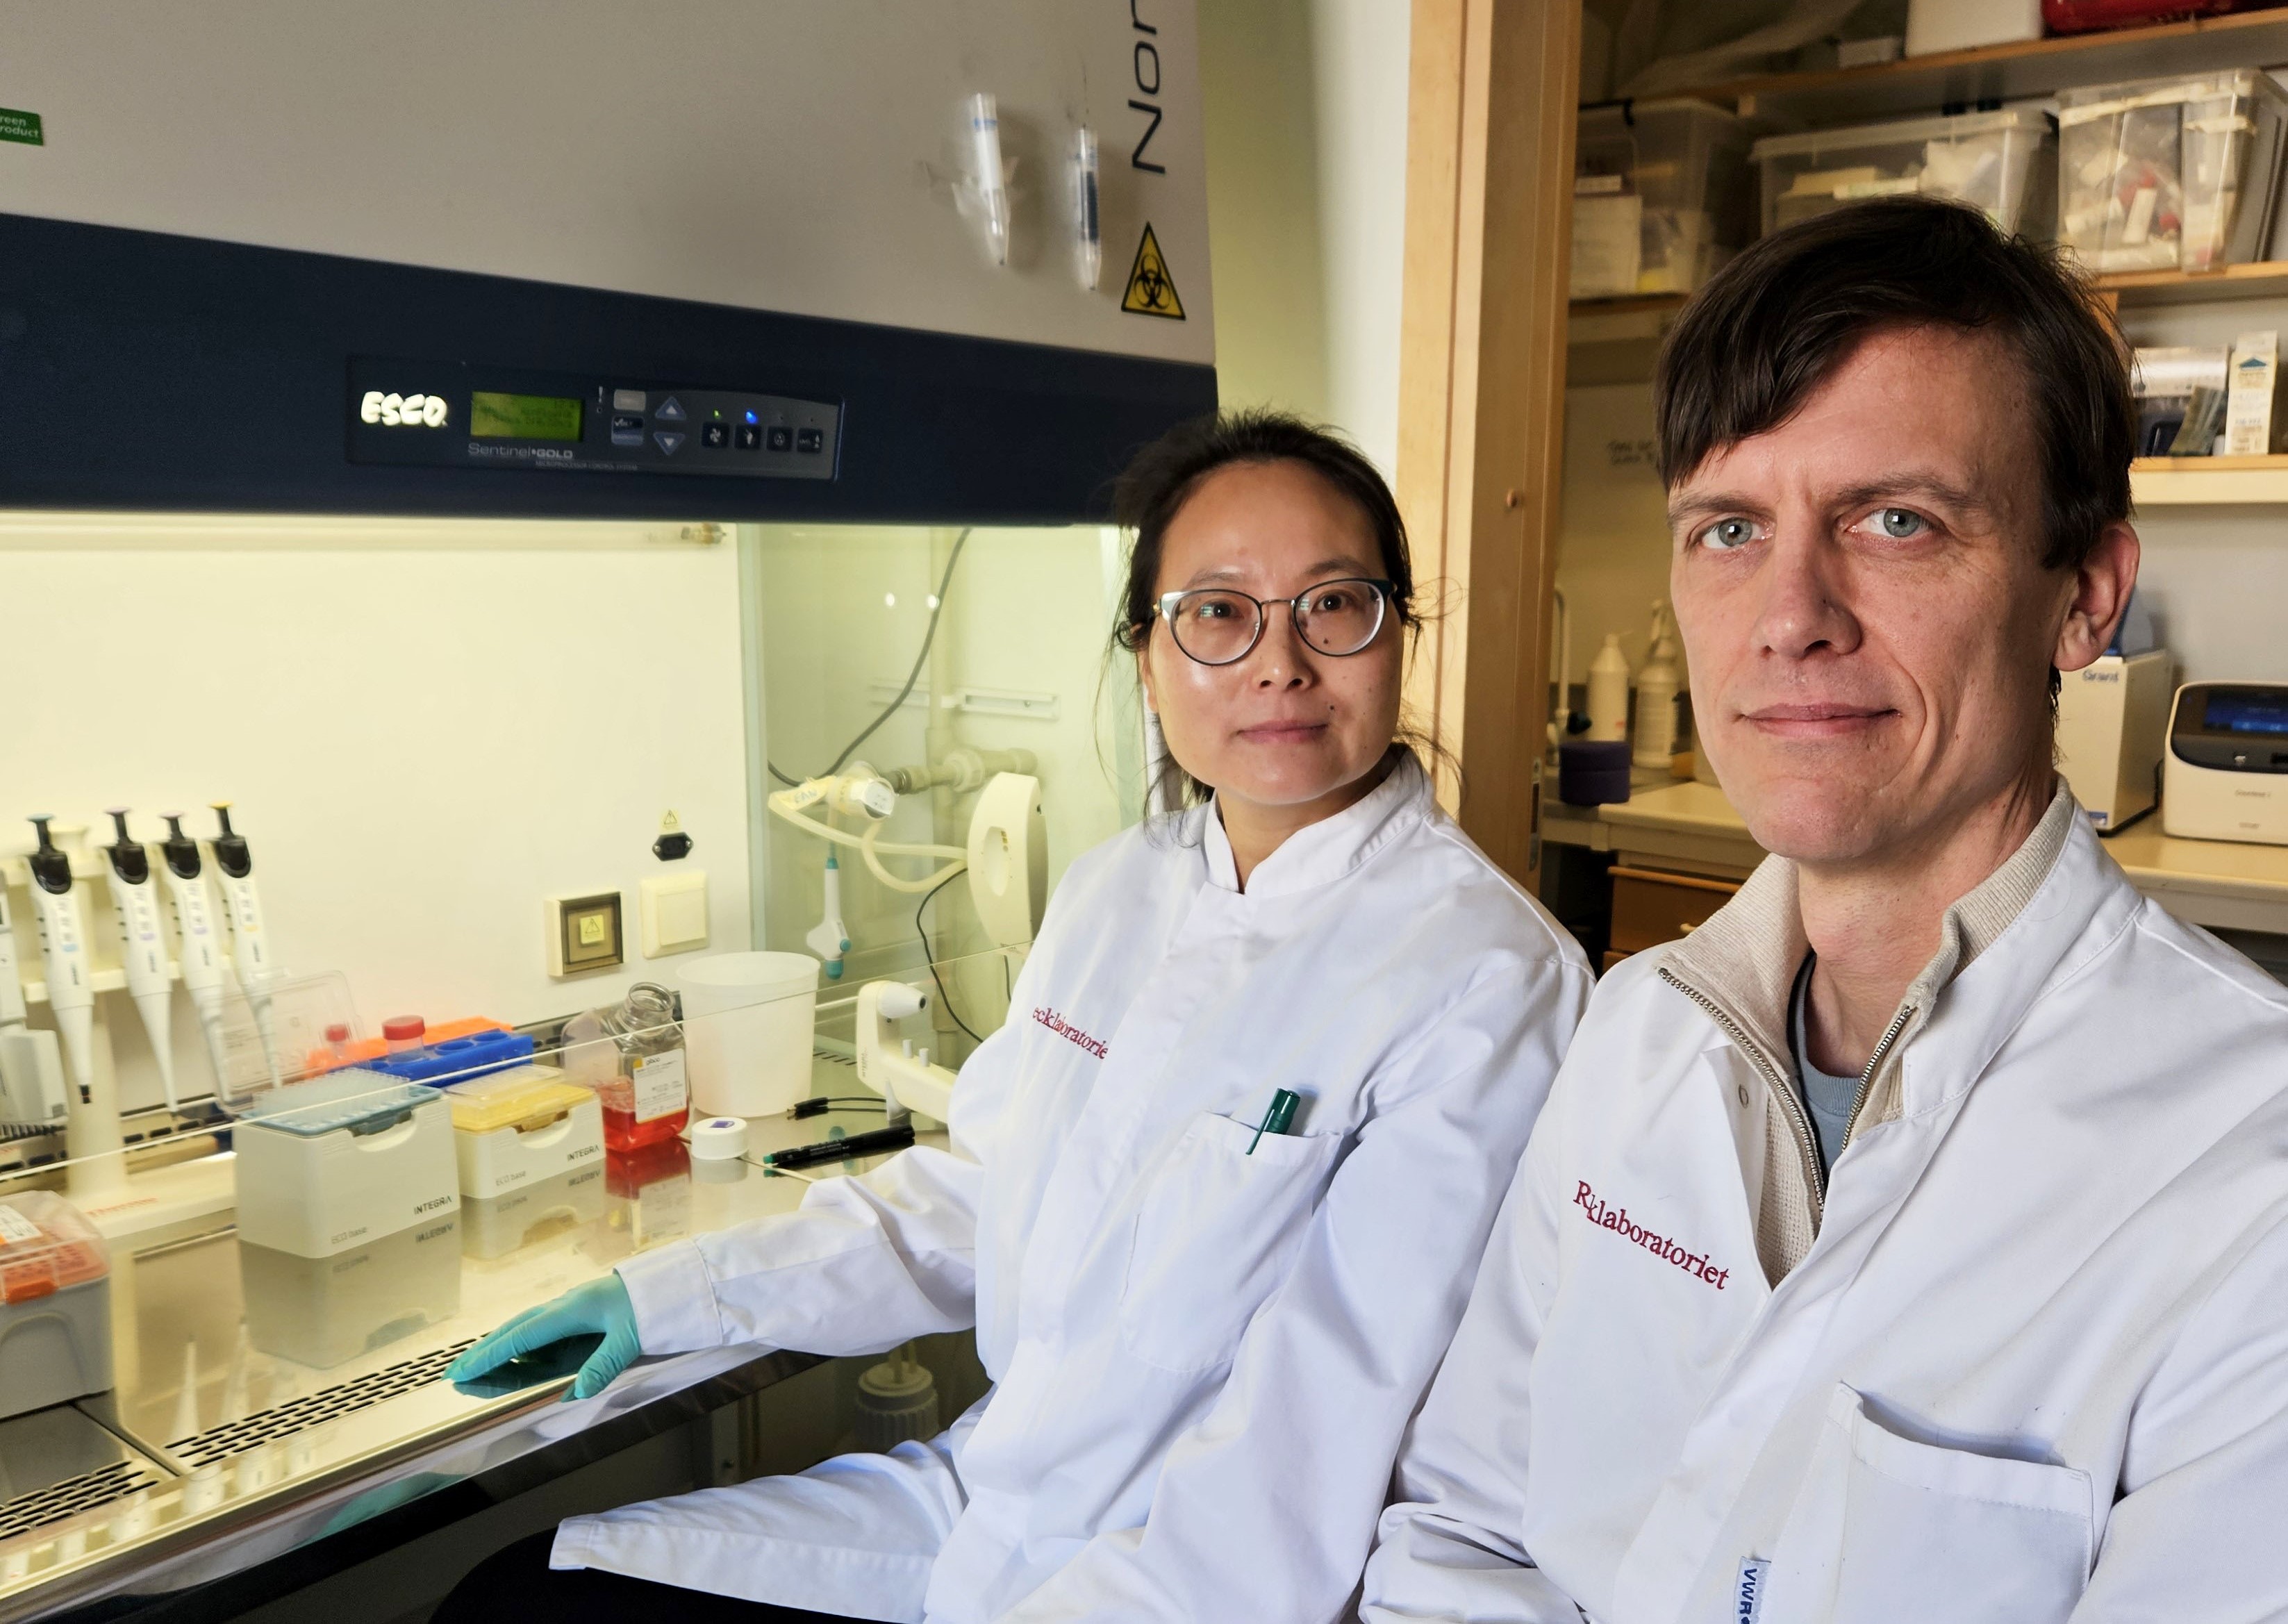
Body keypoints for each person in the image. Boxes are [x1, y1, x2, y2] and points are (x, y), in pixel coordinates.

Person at [437, 412, 1591, 1624]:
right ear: (1146, 655)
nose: (1278, 663)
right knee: (519, 1596)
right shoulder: (1117, 890)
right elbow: (981, 1195)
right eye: (1216, 612)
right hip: (974, 1510)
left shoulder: (1488, 977)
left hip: (1182, 1582)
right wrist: (674, 1295)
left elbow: (1303, 1460)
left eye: (1334, 603)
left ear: (1399, 631)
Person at [1361, 197, 2288, 1624]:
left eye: (1896, 521)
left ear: (2084, 597)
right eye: (1729, 527)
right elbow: (1465, 1529)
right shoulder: (1634, 1032)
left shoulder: (2247, 1168)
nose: (1789, 613)